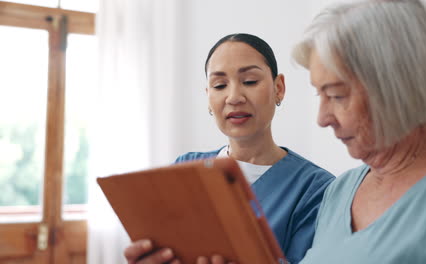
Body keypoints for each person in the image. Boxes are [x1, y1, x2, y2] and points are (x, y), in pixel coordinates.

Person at [124, 33, 335, 264]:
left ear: (279, 88)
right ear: (208, 97)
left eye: (250, 81)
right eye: (219, 85)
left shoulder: (317, 189)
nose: (234, 97)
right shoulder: (184, 167)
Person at [290, 0, 426, 263]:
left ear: (398, 88)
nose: (322, 119)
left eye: (336, 95)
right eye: (320, 94)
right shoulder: (339, 191)